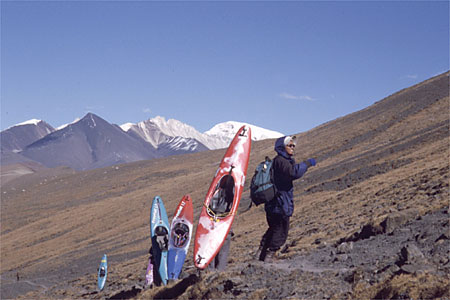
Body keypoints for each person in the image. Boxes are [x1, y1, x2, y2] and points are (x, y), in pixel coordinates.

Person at [257, 136, 316, 262]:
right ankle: (269, 256)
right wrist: (307, 163)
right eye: (290, 145)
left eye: (293, 145)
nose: (293, 148)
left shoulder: (278, 161)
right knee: (281, 231)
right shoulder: (281, 161)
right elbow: (293, 173)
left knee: (274, 228)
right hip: (280, 203)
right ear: (282, 147)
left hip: (273, 202)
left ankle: (260, 255)